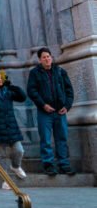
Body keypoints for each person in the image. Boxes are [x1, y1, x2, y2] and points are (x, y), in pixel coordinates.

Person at [26, 47, 75, 176]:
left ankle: (64, 164)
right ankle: (48, 165)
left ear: (51, 57)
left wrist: (67, 106)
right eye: (44, 57)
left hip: (60, 112)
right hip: (44, 112)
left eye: (48, 56)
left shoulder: (60, 71)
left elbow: (69, 91)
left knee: (62, 138)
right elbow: (32, 91)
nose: (47, 59)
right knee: (46, 140)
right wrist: (43, 105)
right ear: (40, 59)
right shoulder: (35, 73)